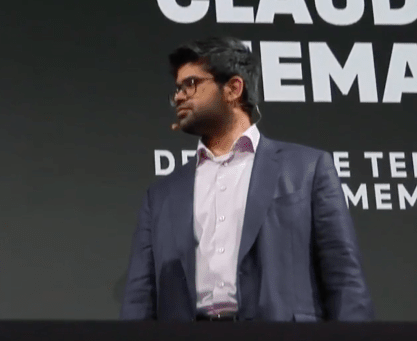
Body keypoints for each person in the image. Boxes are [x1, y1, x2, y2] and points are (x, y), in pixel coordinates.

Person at [120, 36, 373, 322]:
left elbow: (345, 278)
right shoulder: (161, 195)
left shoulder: (308, 169)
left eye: (191, 84)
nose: (179, 97)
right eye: (177, 89)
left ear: (233, 89)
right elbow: (139, 299)